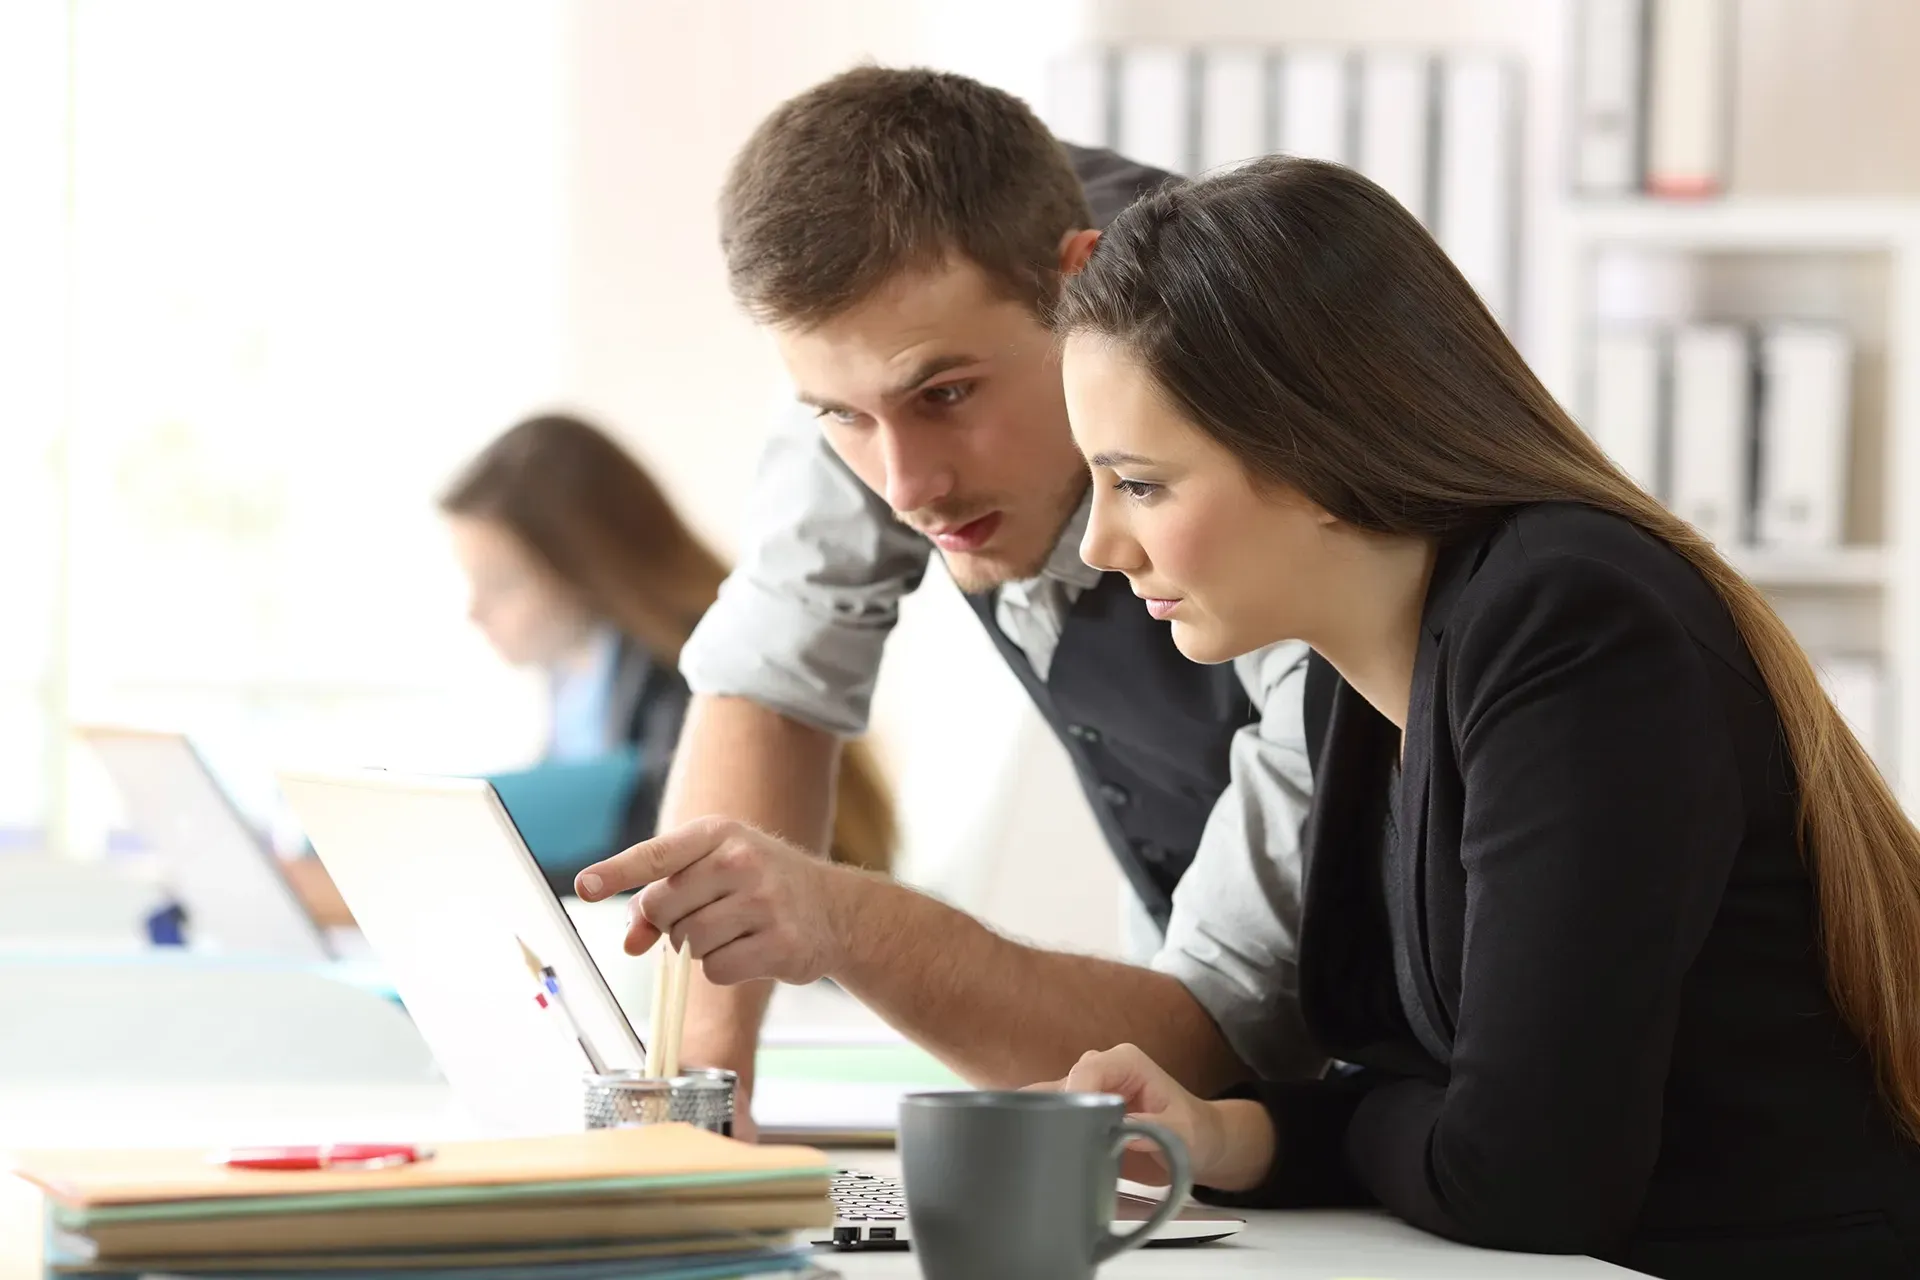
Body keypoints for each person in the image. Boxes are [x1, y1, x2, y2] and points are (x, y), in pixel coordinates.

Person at [1040, 157, 1920, 1278]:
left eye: (1142, 484)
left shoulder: (1569, 624)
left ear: (1313, 449)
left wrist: (1378, 1118)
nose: (1101, 547)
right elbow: (1437, 1097)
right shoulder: (1354, 674)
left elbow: (1525, 1171)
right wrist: (1224, 1132)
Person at [573, 67, 1324, 1124]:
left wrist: (845, 919)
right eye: (839, 414)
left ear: (1084, 283)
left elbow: (1213, 1038)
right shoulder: (894, 336)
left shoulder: (1289, 457)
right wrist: (704, 1107)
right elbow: (768, 678)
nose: (903, 483)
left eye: (946, 396)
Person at [440, 414, 896, 890]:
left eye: (501, 583)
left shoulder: (694, 668)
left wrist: (468, 884)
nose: (475, 611)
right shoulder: (578, 672)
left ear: (581, 567)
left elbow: (658, 861)